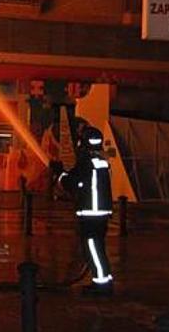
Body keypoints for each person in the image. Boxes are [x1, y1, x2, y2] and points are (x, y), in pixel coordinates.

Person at [58, 124, 114, 296]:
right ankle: (103, 280)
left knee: (93, 248)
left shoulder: (86, 163)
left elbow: (71, 183)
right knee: (98, 248)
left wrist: (59, 173)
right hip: (100, 214)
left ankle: (101, 285)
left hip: (90, 214)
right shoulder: (101, 161)